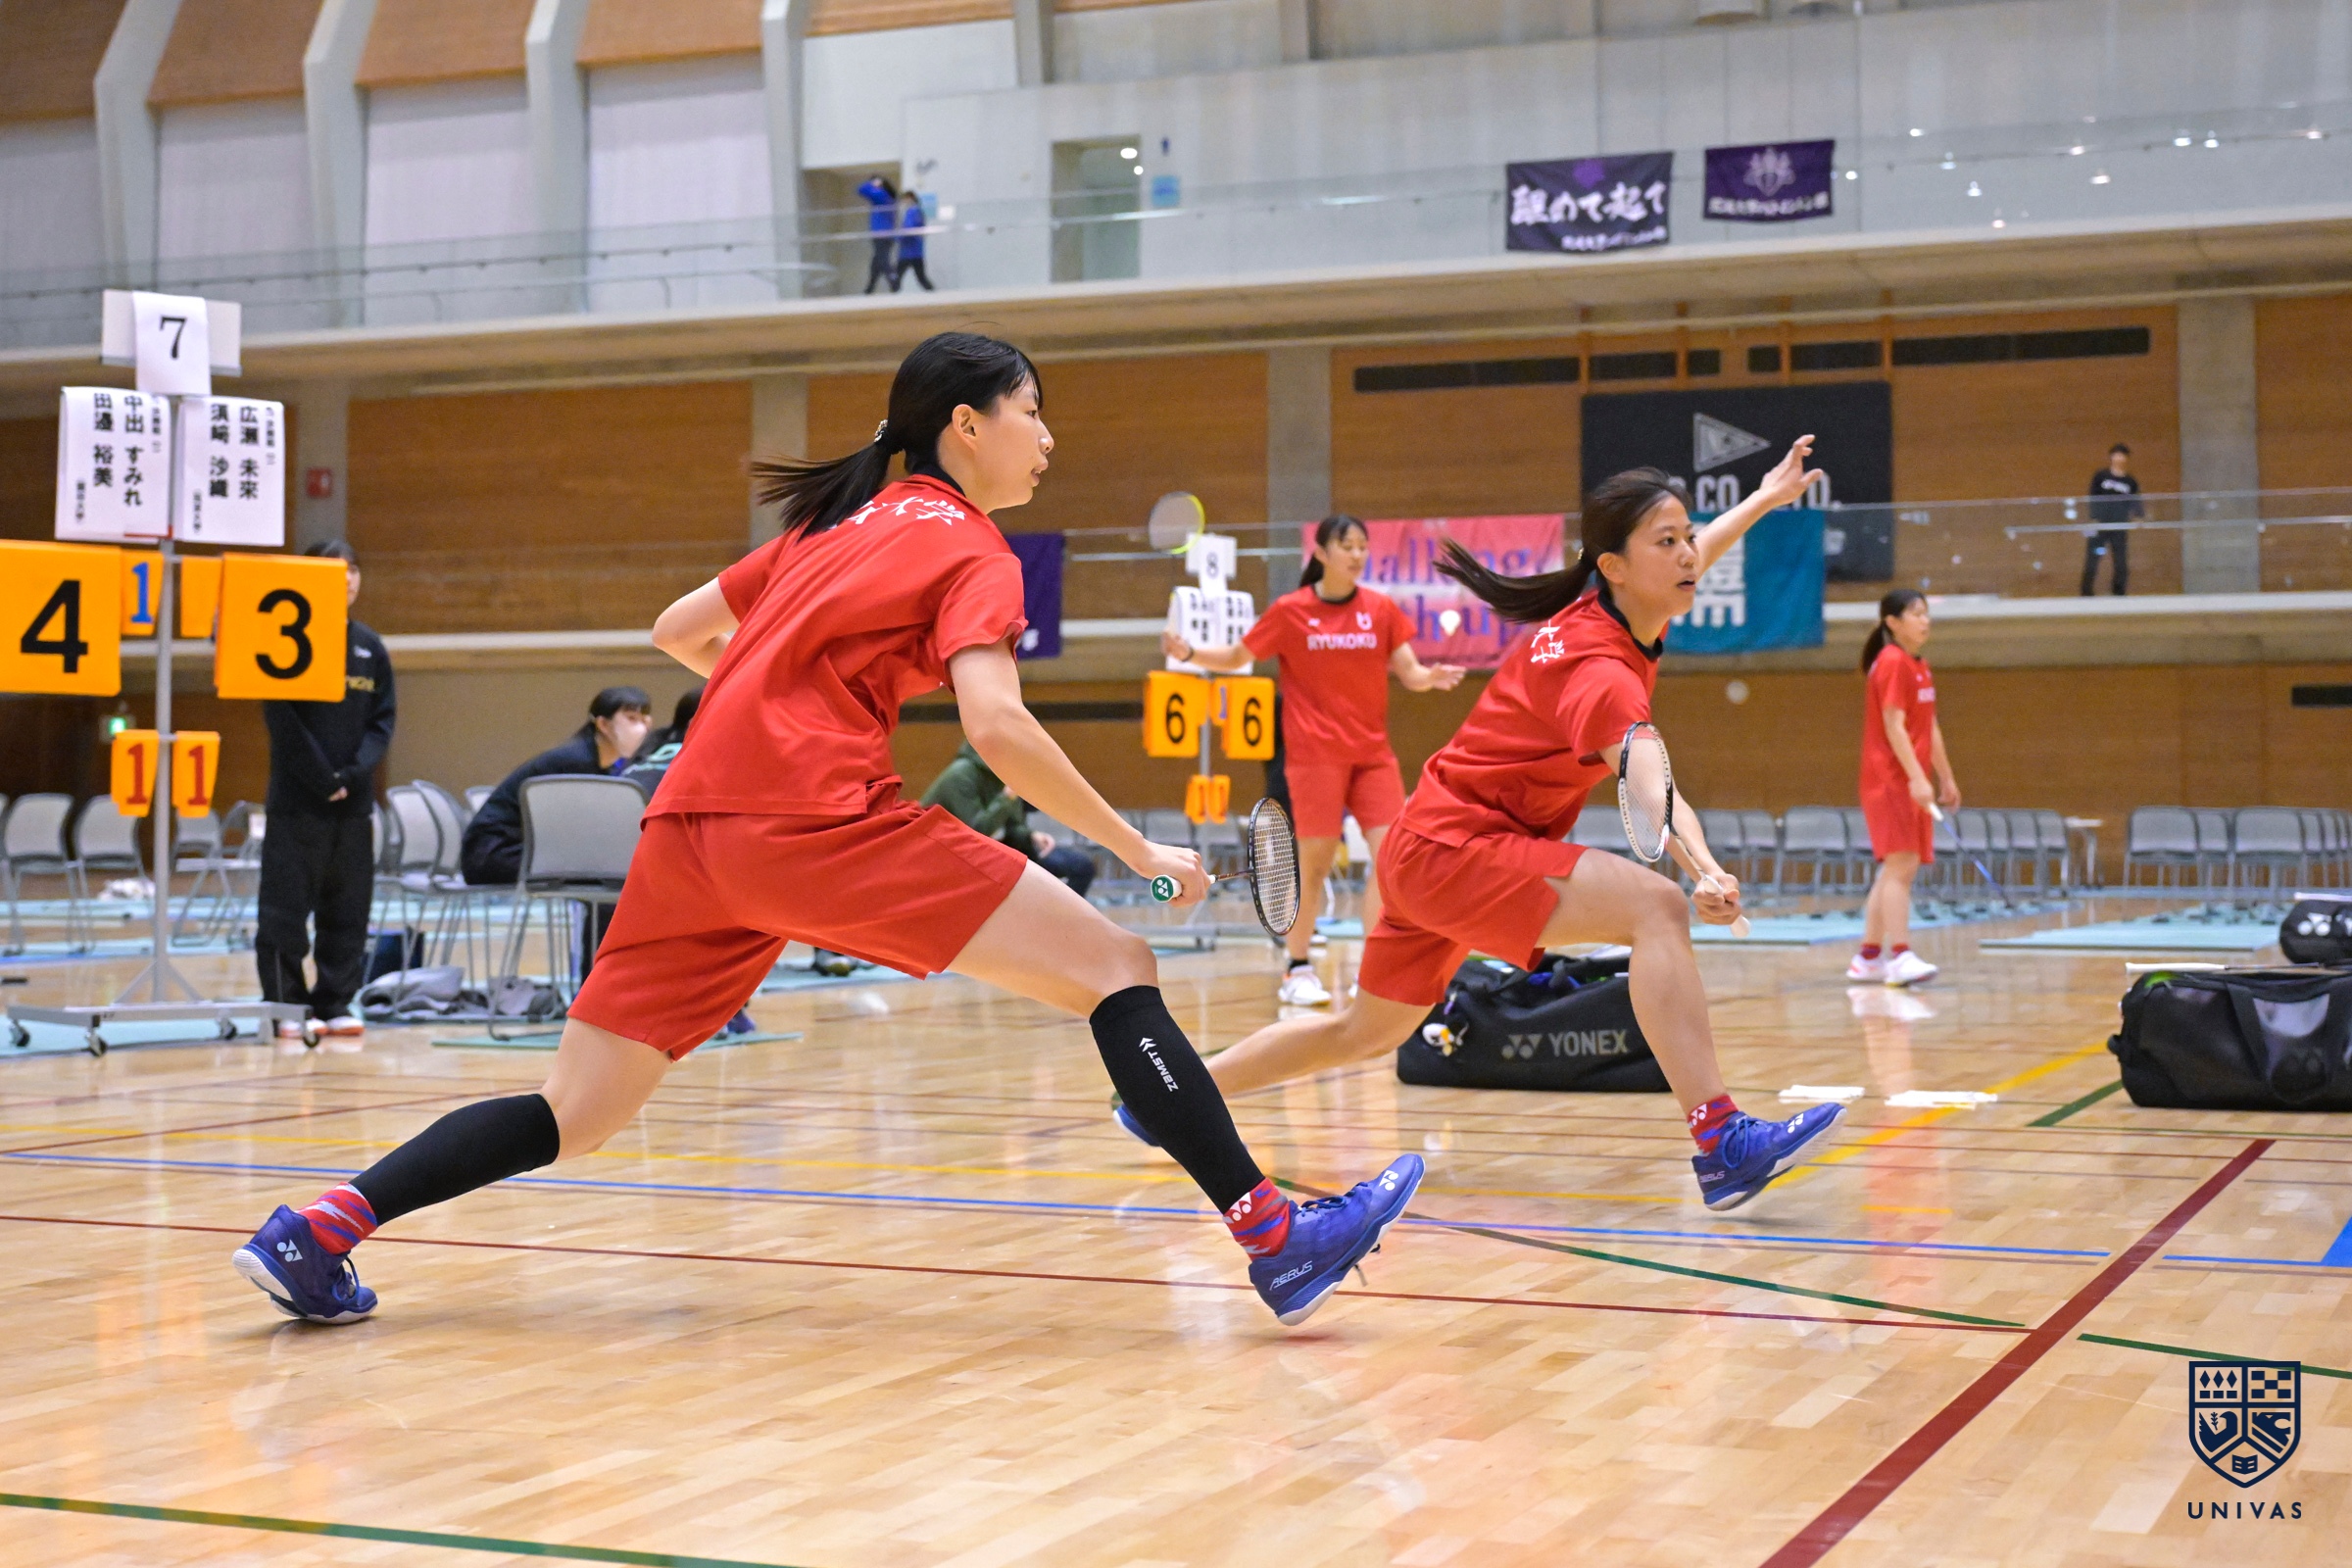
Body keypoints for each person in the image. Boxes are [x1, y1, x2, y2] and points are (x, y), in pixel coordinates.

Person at [232, 331, 1421, 1330]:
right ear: (966, 426)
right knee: (1117, 963)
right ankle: (1275, 1236)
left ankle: (320, 1228)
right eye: (1032, 412)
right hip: (814, 821)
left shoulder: (830, 526)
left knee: (574, 1109)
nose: (1048, 437)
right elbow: (997, 727)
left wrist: (772, 704)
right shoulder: (971, 546)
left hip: (689, 832)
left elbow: (678, 628)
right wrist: (1132, 845)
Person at [1130, 442, 1846, 1214]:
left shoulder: (1616, 606)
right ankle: (1722, 1140)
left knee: (1360, 1033)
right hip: (1456, 851)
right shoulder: (1599, 668)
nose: (1687, 555)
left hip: (1425, 845)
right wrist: (1703, 866)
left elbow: (1696, 554)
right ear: (1613, 566)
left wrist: (1764, 500)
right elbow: (1652, 784)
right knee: (1658, 907)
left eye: (1686, 538)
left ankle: (1163, 1101)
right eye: (1666, 542)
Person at [1161, 514, 1464, 1006]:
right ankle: (1297, 968)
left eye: (1363, 546)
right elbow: (1238, 656)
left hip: (1372, 757)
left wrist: (1431, 678)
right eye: (1347, 545)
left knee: (1391, 858)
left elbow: (1409, 672)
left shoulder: (1380, 609)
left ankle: (1376, 968)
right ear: (1321, 553)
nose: (1357, 554)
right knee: (1314, 864)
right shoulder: (1292, 611)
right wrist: (1191, 651)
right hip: (1315, 758)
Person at [255, 540, 394, 1040]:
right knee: (285, 911)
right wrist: (321, 777)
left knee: (348, 909)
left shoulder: (370, 646)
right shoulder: (284, 642)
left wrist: (353, 775)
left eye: (353, 568)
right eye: (335, 569)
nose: (348, 578)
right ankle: (286, 1005)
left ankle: (335, 1002)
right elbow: (283, 720)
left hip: (353, 806)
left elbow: (382, 721)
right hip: (297, 803)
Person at [1848, 589, 1959, 988]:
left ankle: (1868, 957)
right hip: (1888, 780)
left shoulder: (1919, 665)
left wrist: (1945, 776)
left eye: (1926, 613)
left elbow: (1929, 726)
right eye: (1915, 614)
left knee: (1896, 866)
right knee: (1903, 865)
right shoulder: (1892, 662)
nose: (1925, 621)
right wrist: (1915, 777)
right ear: (1892, 622)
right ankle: (1899, 955)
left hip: (1907, 779)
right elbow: (1894, 726)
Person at [460, 687, 653, 889]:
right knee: (603, 872)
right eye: (632, 719)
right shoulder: (576, 762)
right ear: (603, 724)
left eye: (645, 720)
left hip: (517, 851)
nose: (643, 728)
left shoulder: (598, 763)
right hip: (493, 854)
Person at [922, 740, 1096, 896]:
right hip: (948, 859)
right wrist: (1006, 798)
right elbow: (977, 831)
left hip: (991, 853)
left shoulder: (1003, 773)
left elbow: (1011, 826)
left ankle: (1056, 919)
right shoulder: (960, 774)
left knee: (1082, 867)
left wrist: (1031, 835)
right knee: (1022, 885)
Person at [2081, 443, 2143, 596]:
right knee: (2092, 560)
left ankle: (2119, 594)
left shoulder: (2130, 481)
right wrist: (2094, 517)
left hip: (2119, 526)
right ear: (2111, 457)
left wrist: (2138, 516)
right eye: (2116, 454)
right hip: (2099, 525)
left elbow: (2136, 501)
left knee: (2121, 562)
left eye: (2122, 455)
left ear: (2126, 458)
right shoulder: (2101, 476)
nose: (2119, 458)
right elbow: (2093, 496)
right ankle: (2086, 593)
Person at [856, 173, 900, 294]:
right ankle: (869, 288)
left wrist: (872, 184)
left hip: (880, 234)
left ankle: (894, 280)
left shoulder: (881, 195)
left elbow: (860, 189)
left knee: (883, 260)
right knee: (876, 262)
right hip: (887, 234)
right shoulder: (890, 198)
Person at [895, 188, 935, 292]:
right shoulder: (918, 212)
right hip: (916, 251)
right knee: (921, 278)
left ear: (910, 198)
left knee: (897, 278)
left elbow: (908, 229)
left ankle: (891, 297)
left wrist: (898, 237)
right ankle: (934, 294)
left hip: (908, 251)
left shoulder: (912, 211)